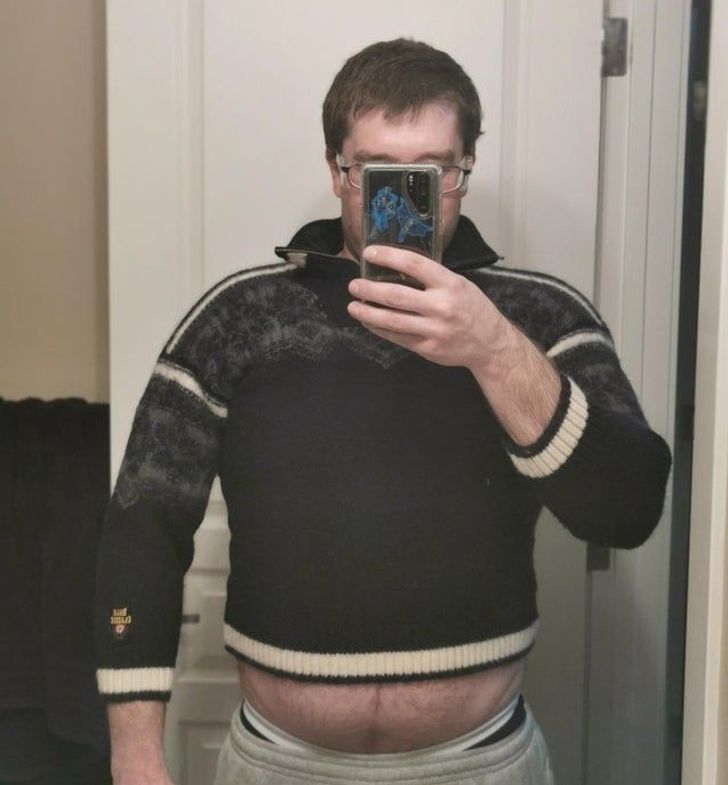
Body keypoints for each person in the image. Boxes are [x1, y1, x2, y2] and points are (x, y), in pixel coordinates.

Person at [95, 39, 672, 785]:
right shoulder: (237, 317)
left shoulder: (539, 315)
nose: (403, 198)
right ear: (336, 171)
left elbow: (629, 510)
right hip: (276, 762)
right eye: (375, 171)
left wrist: (494, 349)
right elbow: (143, 528)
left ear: (465, 171)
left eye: (434, 172)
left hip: (481, 762)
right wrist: (136, 757)